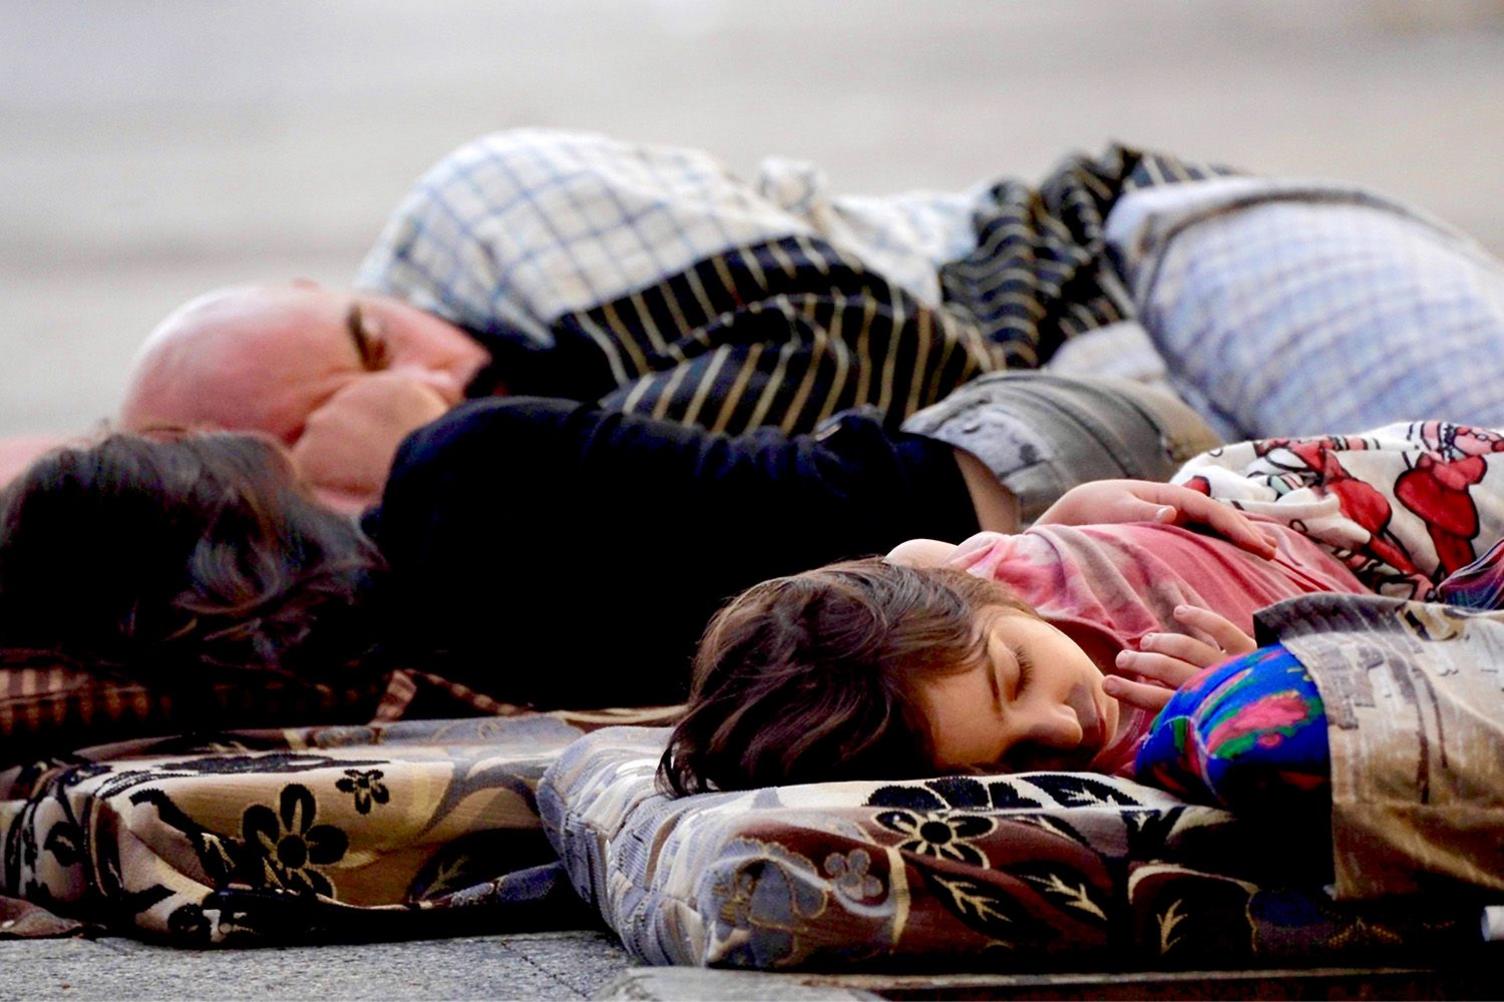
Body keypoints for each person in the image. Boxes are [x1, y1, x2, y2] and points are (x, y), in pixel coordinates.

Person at [659, 419, 1504, 795]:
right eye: (1020, 756)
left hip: (1331, 520)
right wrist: (1250, 692)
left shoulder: (957, 571)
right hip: (1379, 625)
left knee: (1211, 485)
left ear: (974, 594)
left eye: (1016, 673)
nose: (1061, 729)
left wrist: (1066, 516)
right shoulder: (1145, 743)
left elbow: (912, 562)